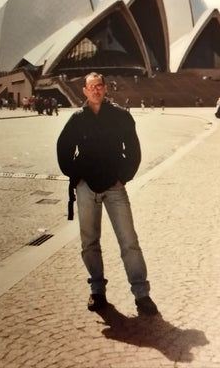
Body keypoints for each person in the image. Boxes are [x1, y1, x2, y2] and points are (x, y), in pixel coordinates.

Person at [57, 72, 158, 316]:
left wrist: (122, 178)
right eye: (91, 87)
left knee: (129, 241)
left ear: (105, 88)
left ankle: (141, 294)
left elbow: (133, 150)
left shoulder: (121, 116)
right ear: (84, 91)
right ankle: (97, 291)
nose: (96, 90)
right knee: (89, 242)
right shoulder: (77, 119)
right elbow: (63, 148)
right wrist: (76, 175)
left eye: (99, 86)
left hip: (114, 188)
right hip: (86, 188)